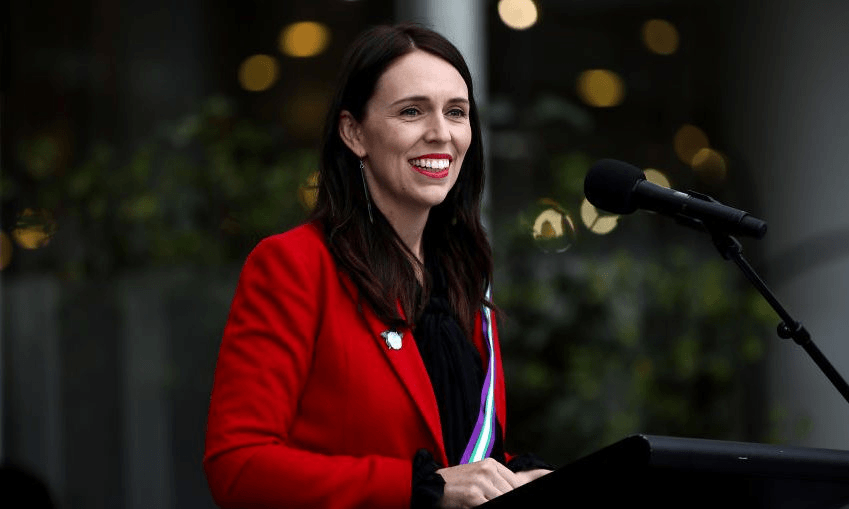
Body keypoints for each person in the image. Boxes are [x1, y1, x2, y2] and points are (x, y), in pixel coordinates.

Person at [204, 23, 551, 509]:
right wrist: (420, 488)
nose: (441, 133)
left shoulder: (464, 279)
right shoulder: (294, 265)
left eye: (457, 112)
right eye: (412, 111)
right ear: (354, 132)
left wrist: (519, 476)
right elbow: (238, 467)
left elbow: (460, 456)